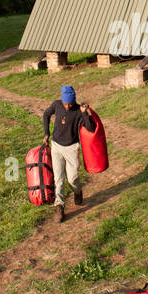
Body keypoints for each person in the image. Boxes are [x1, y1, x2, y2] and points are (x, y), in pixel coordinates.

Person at [42, 85, 95, 223]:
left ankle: (78, 191)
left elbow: (91, 128)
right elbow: (46, 115)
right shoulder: (56, 105)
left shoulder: (78, 110)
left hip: (71, 148)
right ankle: (59, 206)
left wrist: (84, 113)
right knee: (58, 179)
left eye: (70, 103)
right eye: (65, 103)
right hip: (56, 147)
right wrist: (47, 133)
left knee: (72, 178)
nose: (67, 106)